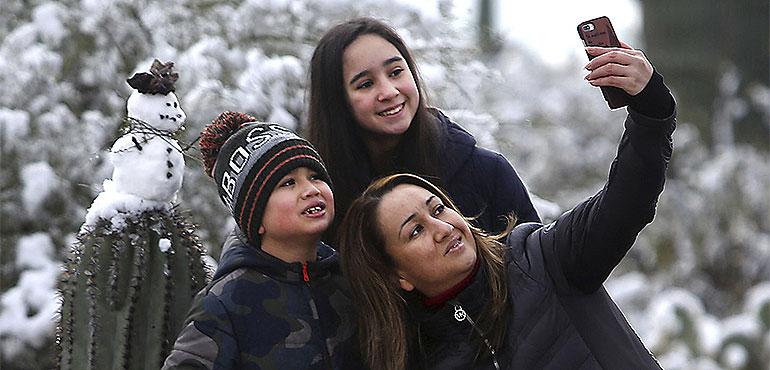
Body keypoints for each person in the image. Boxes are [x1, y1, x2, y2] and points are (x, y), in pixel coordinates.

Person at [338, 42, 676, 369]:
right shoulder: (423, 357)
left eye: (438, 209)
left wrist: (650, 109)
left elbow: (627, 201)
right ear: (399, 276)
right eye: (415, 231)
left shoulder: (542, 258)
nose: (442, 229)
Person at [306, 17, 541, 243]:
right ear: (336, 102)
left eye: (396, 72)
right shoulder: (324, 199)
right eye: (366, 84)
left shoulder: (487, 173)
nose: (388, 91)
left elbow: (539, 269)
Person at [162, 112, 360, 369]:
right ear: (255, 217)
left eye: (315, 176)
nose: (311, 189)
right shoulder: (226, 300)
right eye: (288, 183)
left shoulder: (351, 279)